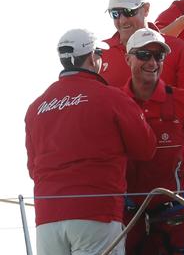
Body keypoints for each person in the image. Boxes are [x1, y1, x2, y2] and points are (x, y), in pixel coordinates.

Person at [25, 28, 156, 255]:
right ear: (93, 57)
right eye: (99, 55)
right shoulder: (112, 97)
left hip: (46, 218)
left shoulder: (36, 107)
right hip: (96, 213)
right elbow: (146, 149)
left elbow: (32, 169)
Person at [121, 28, 184, 255]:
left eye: (159, 56)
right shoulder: (115, 103)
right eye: (144, 55)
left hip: (176, 215)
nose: (152, 62)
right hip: (129, 217)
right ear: (127, 58)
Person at [101, 0, 184, 97]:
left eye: (128, 12)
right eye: (115, 14)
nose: (122, 20)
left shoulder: (178, 49)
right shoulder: (99, 53)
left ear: (146, 9)